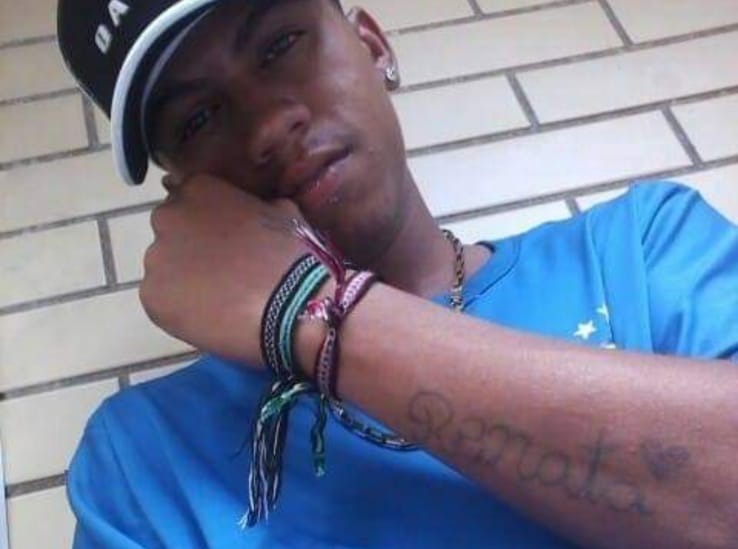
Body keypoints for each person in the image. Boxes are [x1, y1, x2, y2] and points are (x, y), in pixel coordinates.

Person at [57, 0, 738, 547]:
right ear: (183, 191)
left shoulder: (638, 247)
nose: (267, 128)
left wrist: (315, 308)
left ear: (374, 47)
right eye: (199, 118)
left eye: (280, 45)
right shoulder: (143, 460)